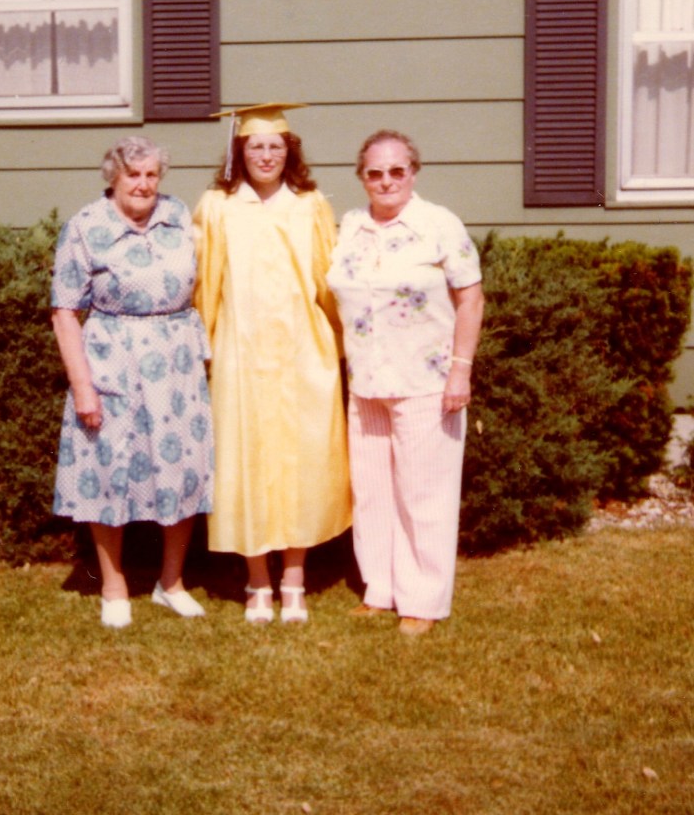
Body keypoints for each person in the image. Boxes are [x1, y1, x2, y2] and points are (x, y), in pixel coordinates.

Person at [193, 103, 351, 624]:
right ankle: (257, 580)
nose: (265, 155)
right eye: (255, 146)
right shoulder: (217, 206)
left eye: (275, 147)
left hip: (304, 351)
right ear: (240, 151)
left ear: (290, 153)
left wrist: (343, 341)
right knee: (247, 461)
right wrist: (205, 343)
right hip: (241, 355)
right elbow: (205, 281)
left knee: (302, 463)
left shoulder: (310, 206)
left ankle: (294, 580)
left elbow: (331, 280)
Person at [50, 136, 214, 629]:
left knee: (181, 466)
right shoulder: (86, 227)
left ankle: (172, 582)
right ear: (113, 178)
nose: (143, 185)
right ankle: (115, 585)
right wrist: (83, 386)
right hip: (112, 360)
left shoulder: (179, 215)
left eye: (151, 175)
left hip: (177, 361)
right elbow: (64, 311)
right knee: (109, 470)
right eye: (133, 175)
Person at [328, 130, 484, 636]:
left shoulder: (438, 224)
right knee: (373, 491)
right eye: (375, 172)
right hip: (367, 380)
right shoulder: (349, 227)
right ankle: (381, 589)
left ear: (413, 172)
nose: (386, 180)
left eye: (397, 170)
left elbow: (471, 299)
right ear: (362, 177)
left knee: (424, 492)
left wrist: (461, 368)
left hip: (426, 380)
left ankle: (423, 599)